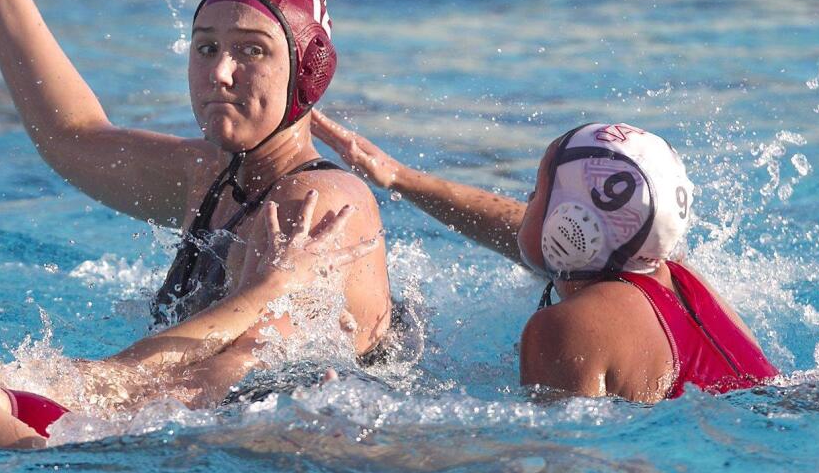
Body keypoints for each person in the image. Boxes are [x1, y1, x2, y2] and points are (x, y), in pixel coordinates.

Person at [0, 0, 392, 372]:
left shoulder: (314, 207)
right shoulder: (213, 176)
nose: (220, 72)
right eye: (206, 48)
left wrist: (29, 387)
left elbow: (212, 379)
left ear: (307, 72)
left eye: (251, 51)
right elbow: (71, 136)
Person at [0, 184, 374, 449]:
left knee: (252, 353)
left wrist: (252, 308)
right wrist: (267, 293)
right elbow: (81, 461)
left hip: (179, 428)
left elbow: (113, 379)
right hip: (188, 460)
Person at [311, 114, 778, 402]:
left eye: (537, 193)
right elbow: (526, 231)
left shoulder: (568, 328)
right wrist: (400, 178)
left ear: (569, 226)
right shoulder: (680, 279)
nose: (524, 202)